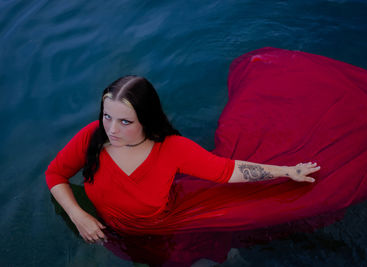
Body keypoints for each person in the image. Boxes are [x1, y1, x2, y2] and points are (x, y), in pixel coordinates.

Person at [46, 75, 321, 245]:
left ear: (146, 119)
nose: (112, 129)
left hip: (158, 230)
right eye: (107, 116)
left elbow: (228, 172)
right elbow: (55, 175)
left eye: (125, 121)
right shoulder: (90, 137)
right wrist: (78, 214)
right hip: (103, 225)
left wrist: (286, 171)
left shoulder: (174, 149)